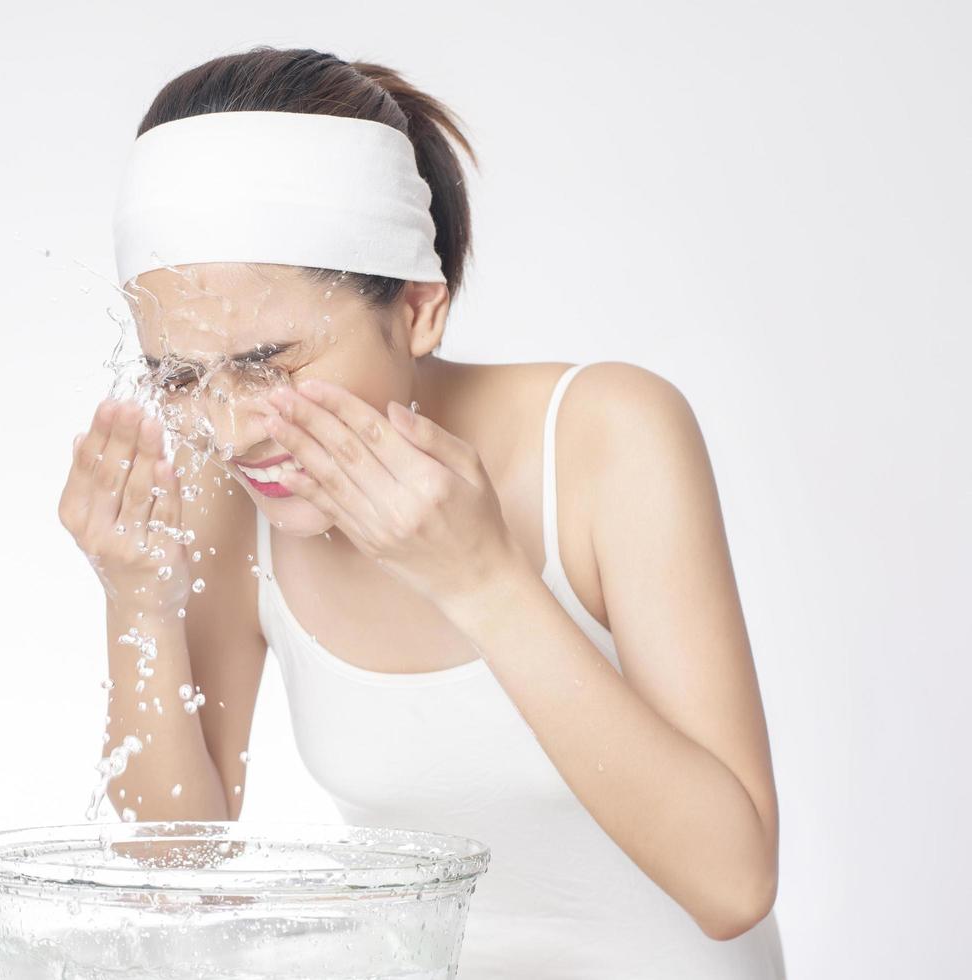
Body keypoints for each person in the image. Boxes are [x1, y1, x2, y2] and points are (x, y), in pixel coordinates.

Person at [58, 46, 786, 978]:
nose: (232, 430)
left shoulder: (608, 435)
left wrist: (480, 578)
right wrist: (138, 605)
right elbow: (176, 883)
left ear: (419, 309)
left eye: (270, 364)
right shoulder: (231, 492)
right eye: (180, 377)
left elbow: (732, 886)